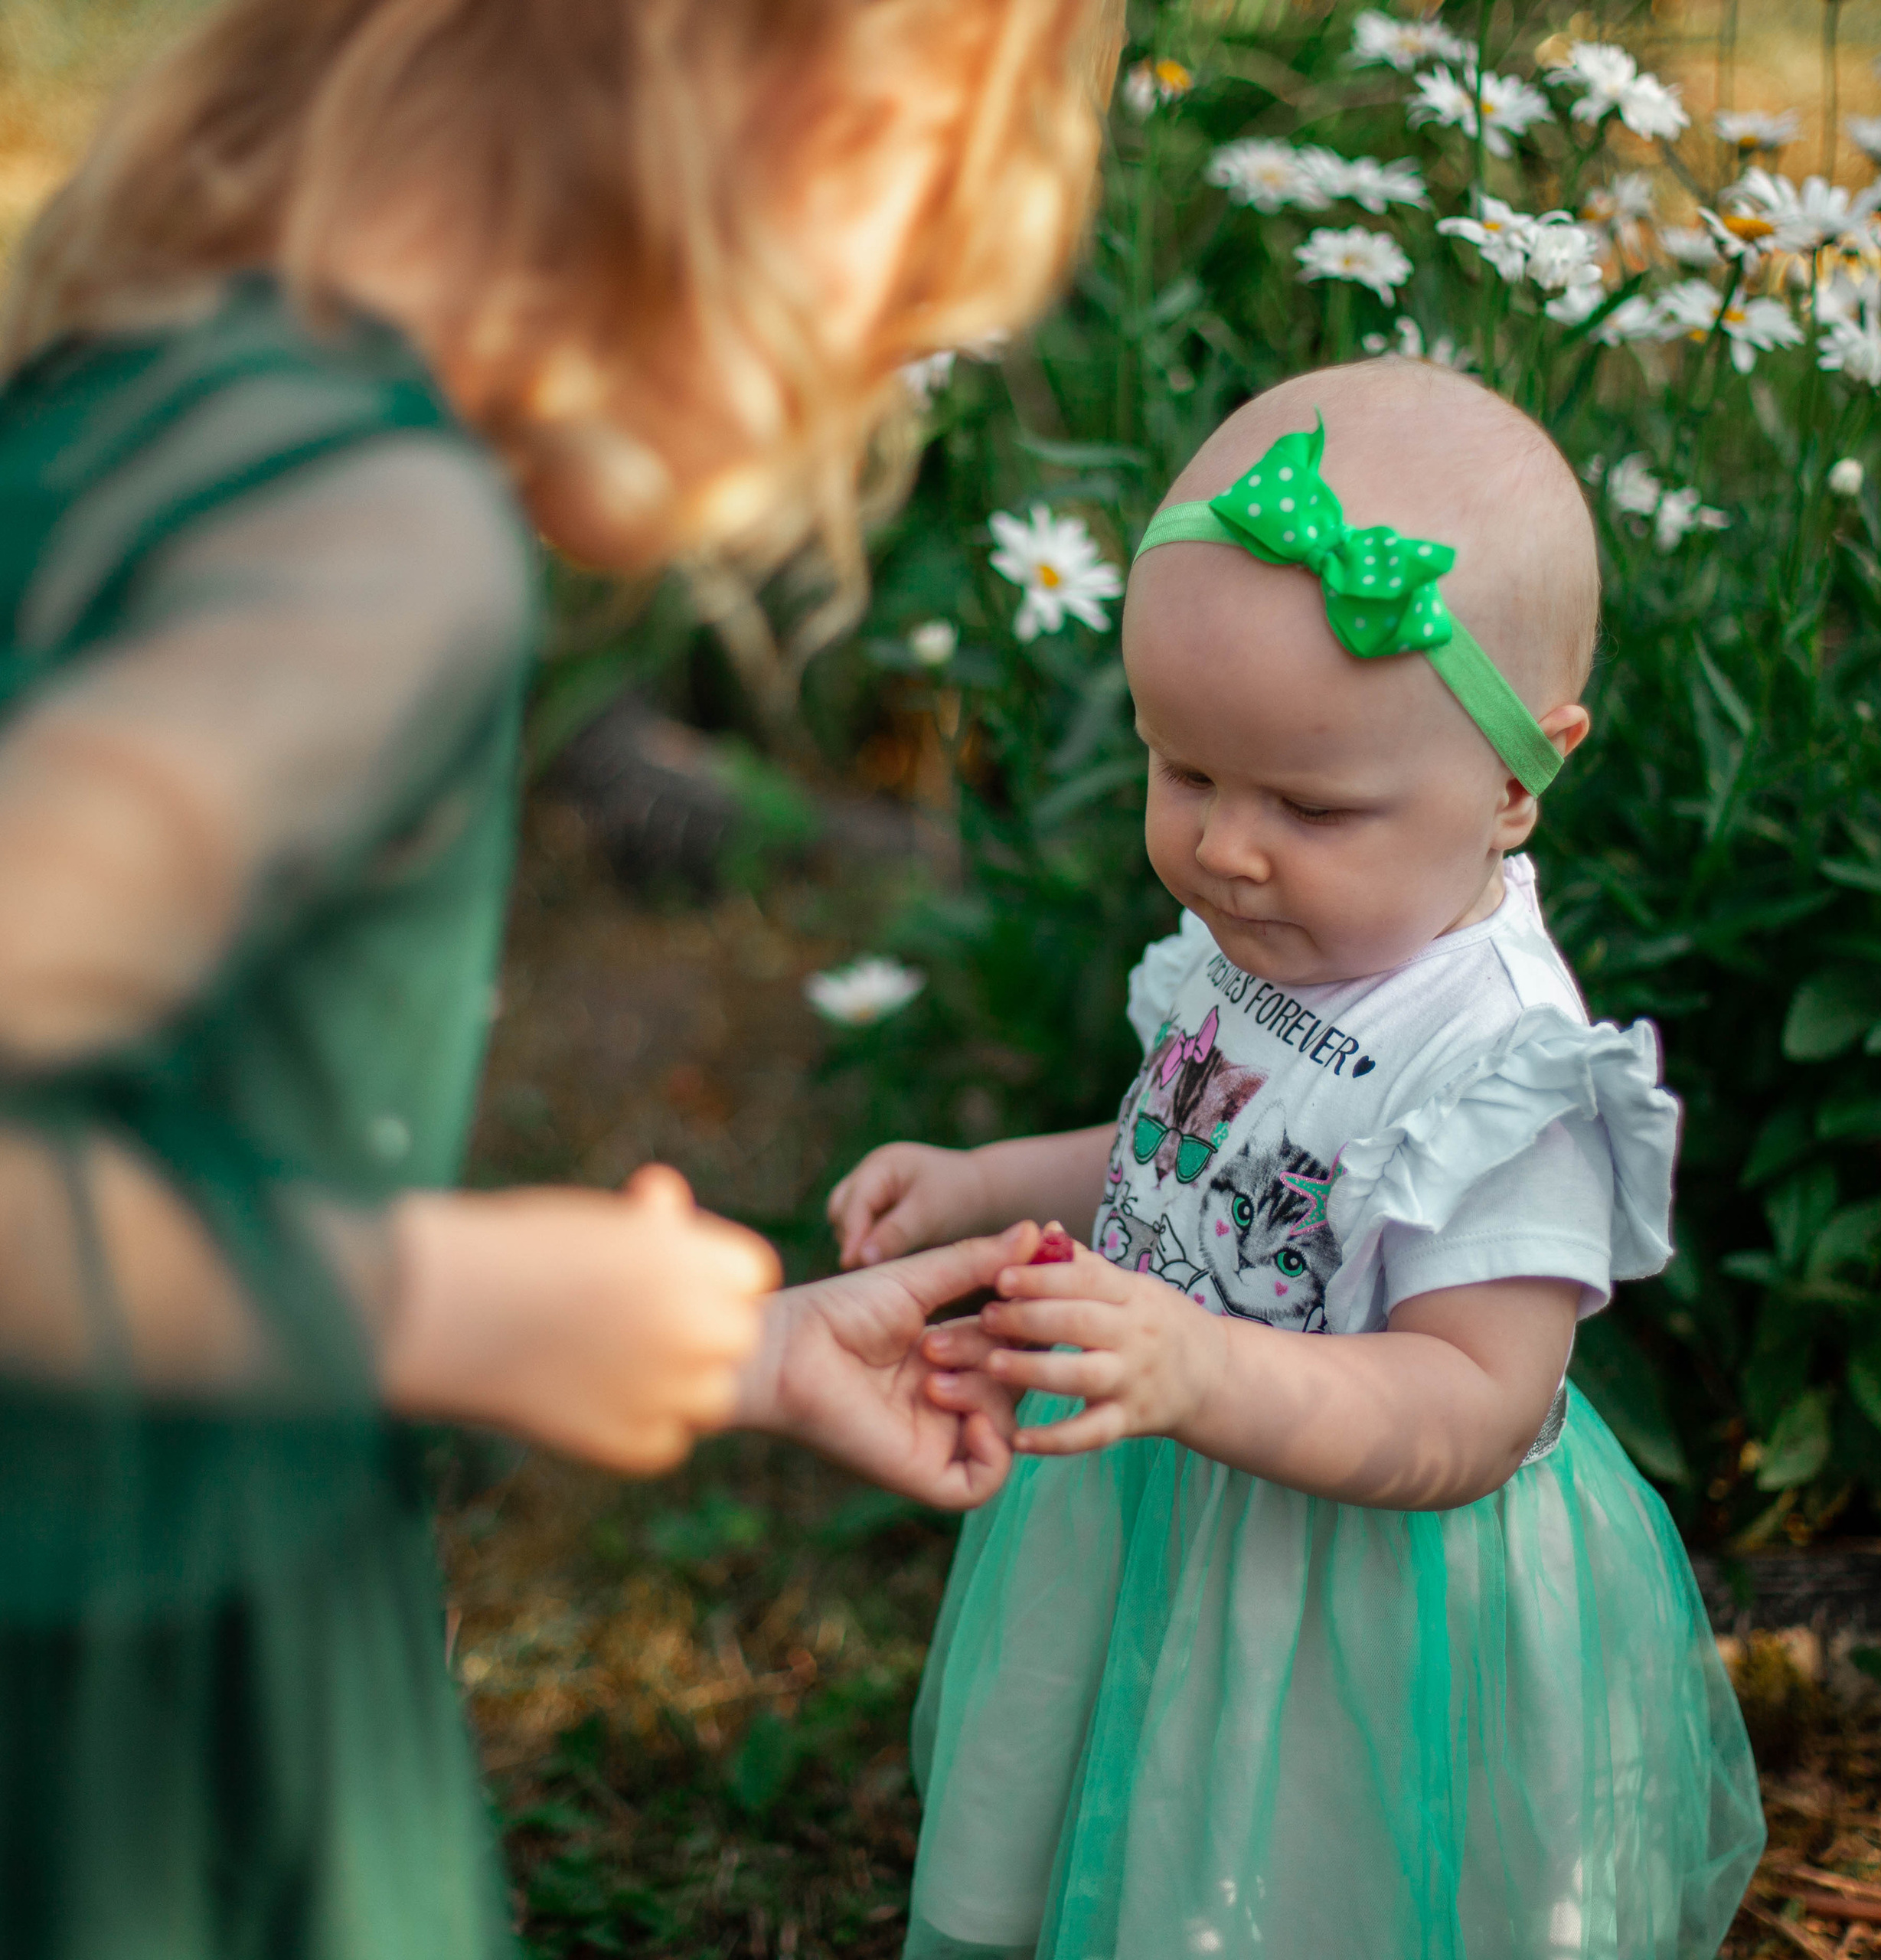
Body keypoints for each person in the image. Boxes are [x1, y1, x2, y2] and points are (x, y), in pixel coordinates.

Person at [0, 1, 1118, 1953]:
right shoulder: (375, 538)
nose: (857, 422)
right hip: (135, 1745)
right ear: (795, 104)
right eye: (899, 305)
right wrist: (443, 1305)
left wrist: (735, 1346)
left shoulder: (142, 390)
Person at [826, 359, 1766, 1959]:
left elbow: (1475, 1405)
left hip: (1361, 1602)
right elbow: (1185, 1143)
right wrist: (990, 1180)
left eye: (1310, 804)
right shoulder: (1255, 935)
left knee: (1302, 1887)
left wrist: (1204, 1367)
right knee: (1129, 1829)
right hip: (1164, 1495)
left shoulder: (1500, 1072)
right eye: (1182, 771)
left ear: (1515, 780)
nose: (1225, 847)